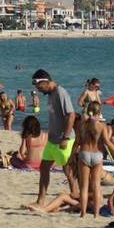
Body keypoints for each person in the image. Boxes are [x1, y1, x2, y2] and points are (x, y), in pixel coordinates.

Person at [33, 69, 76, 207]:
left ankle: (76, 199)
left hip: (64, 140)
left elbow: (71, 115)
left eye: (38, 86)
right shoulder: (50, 95)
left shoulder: (60, 93)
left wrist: (66, 137)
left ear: (46, 81)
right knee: (44, 168)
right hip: (53, 140)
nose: (37, 89)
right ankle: (40, 201)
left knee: (68, 172)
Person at [72, 110, 106, 217]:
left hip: (84, 154)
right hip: (97, 154)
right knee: (96, 186)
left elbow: (76, 142)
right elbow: (106, 142)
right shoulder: (102, 126)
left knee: (84, 186)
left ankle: (83, 213)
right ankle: (96, 214)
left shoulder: (81, 126)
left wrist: (71, 155)